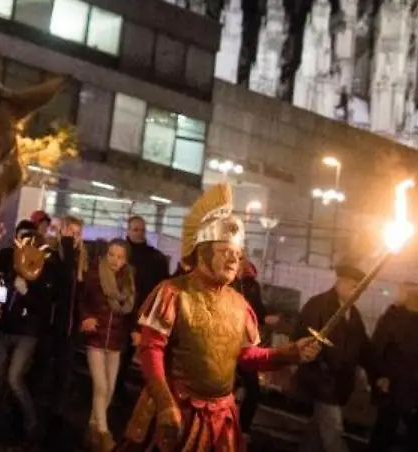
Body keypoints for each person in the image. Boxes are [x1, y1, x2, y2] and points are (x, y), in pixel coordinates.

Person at [118, 184, 321, 452]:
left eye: (237, 254)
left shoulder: (240, 305)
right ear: (204, 251)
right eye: (225, 251)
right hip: (177, 409)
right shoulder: (173, 292)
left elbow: (247, 357)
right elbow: (150, 348)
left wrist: (290, 353)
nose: (233, 259)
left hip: (221, 419)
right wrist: (165, 401)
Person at [292, 262, 373, 452]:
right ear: (340, 283)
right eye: (354, 287)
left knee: (317, 433)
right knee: (333, 433)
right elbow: (300, 338)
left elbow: (363, 346)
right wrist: (319, 366)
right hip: (321, 382)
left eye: (360, 289)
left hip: (338, 383)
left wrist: (377, 373)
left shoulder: (352, 313)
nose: (358, 293)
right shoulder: (318, 305)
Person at [0, 213, 55, 439]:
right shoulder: (11, 263)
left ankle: (31, 423)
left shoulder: (43, 269)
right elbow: (1, 285)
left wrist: (26, 293)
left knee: (14, 378)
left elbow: (44, 305)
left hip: (27, 332)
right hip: (6, 326)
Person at [80, 239, 136, 451]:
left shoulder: (128, 280)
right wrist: (86, 317)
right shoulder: (94, 274)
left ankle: (92, 428)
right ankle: (103, 433)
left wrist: (134, 331)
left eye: (120, 256)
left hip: (116, 340)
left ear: (126, 260)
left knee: (110, 388)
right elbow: (82, 300)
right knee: (101, 386)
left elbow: (130, 310)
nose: (115, 260)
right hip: (95, 337)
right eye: (112, 254)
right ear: (106, 254)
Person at [369, 282, 418, 450]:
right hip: (394, 388)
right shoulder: (393, 319)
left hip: (416, 390)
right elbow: (376, 349)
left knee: (417, 434)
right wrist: (381, 376)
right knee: (385, 431)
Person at [117, 215, 170, 402]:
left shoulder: (154, 258)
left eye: (142, 229)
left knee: (140, 355)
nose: (139, 233)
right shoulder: (119, 254)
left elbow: (163, 286)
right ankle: (117, 392)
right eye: (135, 229)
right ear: (128, 231)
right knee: (121, 354)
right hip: (121, 312)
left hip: (144, 313)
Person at [44, 214, 88, 443]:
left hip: (71, 330)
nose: (73, 237)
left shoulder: (84, 262)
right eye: (68, 232)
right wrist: (67, 249)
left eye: (77, 234)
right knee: (44, 373)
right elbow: (60, 286)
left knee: (64, 377)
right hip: (50, 327)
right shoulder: (53, 258)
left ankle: (55, 422)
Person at [233, 257, 276, 434]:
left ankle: (242, 429)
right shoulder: (226, 284)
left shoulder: (251, 286)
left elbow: (256, 309)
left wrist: (266, 318)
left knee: (252, 389)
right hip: (226, 345)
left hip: (244, 345)